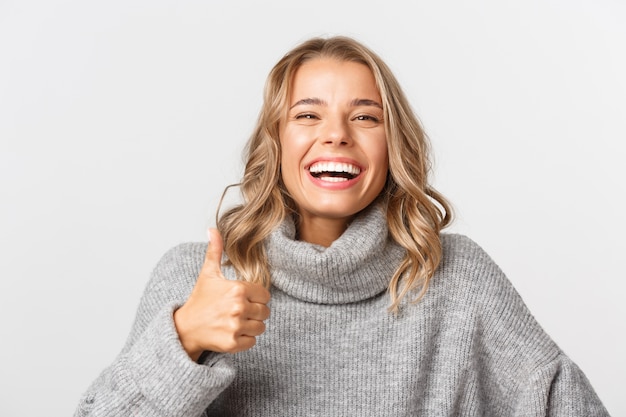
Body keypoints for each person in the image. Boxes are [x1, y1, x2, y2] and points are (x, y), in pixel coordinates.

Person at [74, 36, 609, 417]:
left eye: (365, 116)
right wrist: (184, 338)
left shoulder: (456, 277)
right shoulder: (196, 280)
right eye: (307, 115)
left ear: (392, 145)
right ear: (276, 143)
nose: (336, 134)